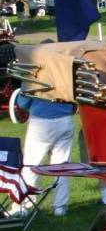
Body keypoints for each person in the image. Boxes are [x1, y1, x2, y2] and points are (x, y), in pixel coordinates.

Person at [15, 44, 76, 216]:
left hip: (42, 124)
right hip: (65, 121)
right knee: (62, 167)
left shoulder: (33, 72)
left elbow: (22, 103)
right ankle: (60, 208)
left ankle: (26, 206)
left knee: (30, 165)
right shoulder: (65, 73)